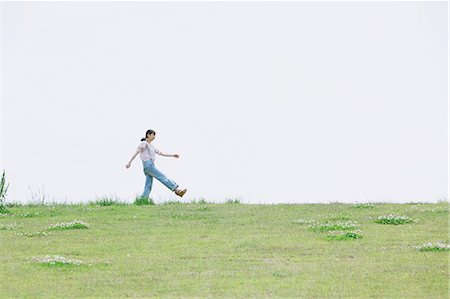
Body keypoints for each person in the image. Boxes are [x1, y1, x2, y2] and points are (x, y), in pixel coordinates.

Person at [126, 129, 187, 198]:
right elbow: (136, 152)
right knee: (162, 177)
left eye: (155, 135)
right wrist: (129, 162)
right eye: (153, 135)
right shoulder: (144, 143)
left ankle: (143, 199)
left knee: (148, 184)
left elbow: (161, 153)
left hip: (148, 167)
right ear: (148, 135)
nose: (154, 137)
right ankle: (177, 190)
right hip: (148, 165)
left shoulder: (152, 147)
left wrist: (172, 155)